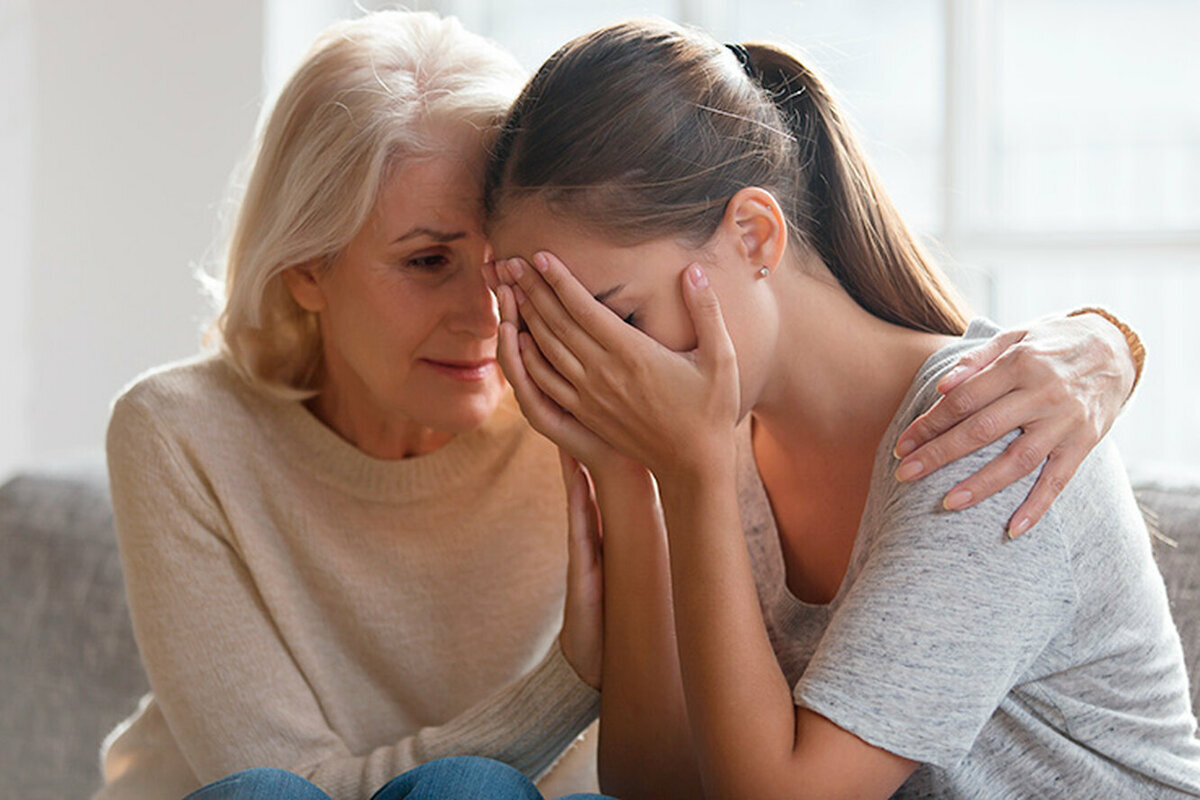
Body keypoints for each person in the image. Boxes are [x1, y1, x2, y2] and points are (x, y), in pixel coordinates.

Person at [97, 10, 1144, 800]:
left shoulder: (965, 430)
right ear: (306, 271)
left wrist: (1109, 339)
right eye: (431, 263)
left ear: (756, 238)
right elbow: (656, 783)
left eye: (594, 309)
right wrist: (638, 483)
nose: (515, 335)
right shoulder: (687, 417)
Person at [485, 19, 1200, 800]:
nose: (602, 372)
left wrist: (687, 478)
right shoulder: (714, 435)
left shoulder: (981, 427)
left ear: (755, 235)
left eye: (616, 321)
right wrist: (624, 471)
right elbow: (655, 784)